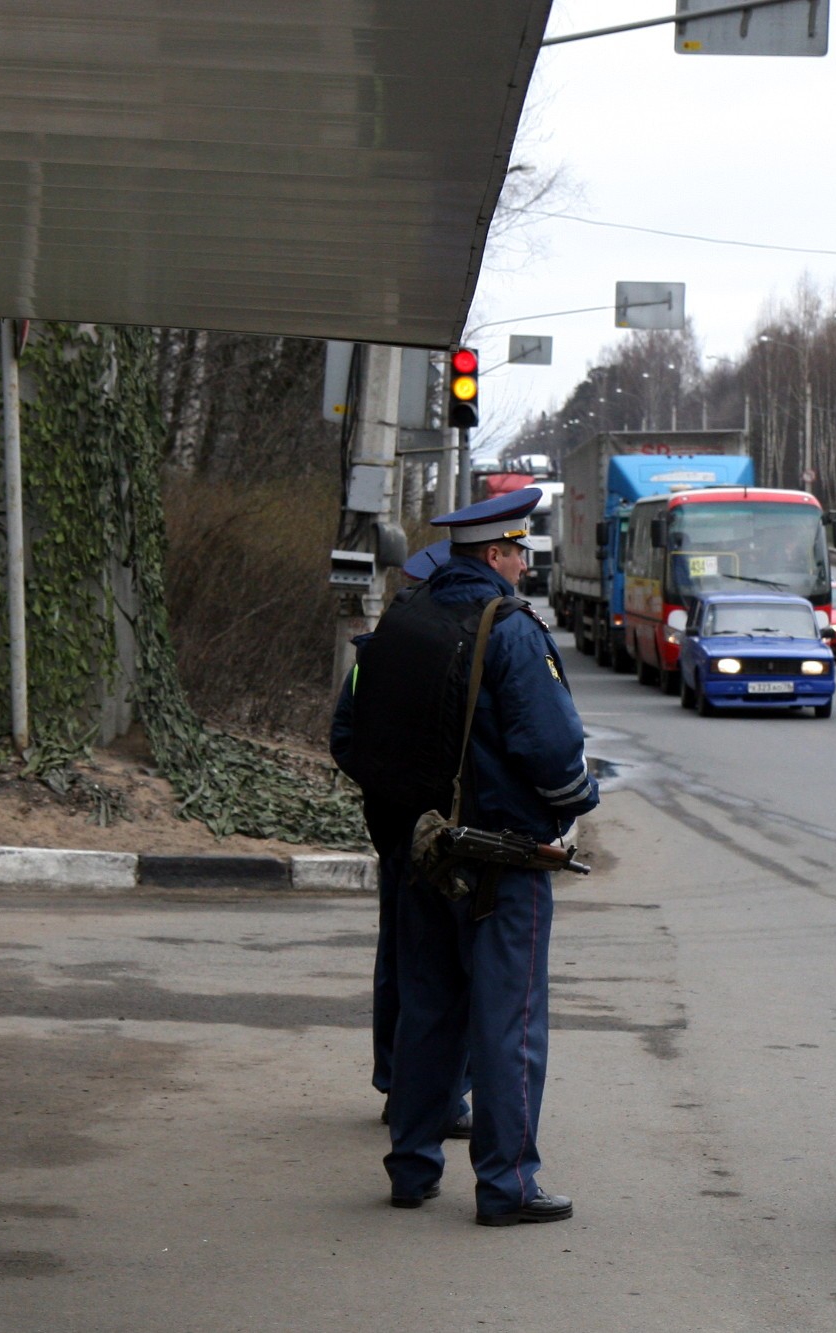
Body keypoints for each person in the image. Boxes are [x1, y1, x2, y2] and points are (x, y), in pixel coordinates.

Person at [343, 489, 598, 1225]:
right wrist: (573, 804)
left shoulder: (403, 620)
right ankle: (508, 1183)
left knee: (427, 1009)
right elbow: (552, 749)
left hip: (419, 850)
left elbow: (357, 735)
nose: (524, 563)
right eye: (519, 551)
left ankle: (412, 1164)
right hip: (502, 860)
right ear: (496, 555)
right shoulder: (508, 628)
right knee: (509, 1020)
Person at [330, 539, 470, 1138]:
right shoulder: (447, 646)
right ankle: (430, 1093)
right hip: (438, 833)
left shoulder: (380, 648)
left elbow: (345, 739)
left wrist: (387, 795)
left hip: (393, 827)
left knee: (400, 959)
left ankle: (398, 1083)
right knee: (442, 968)